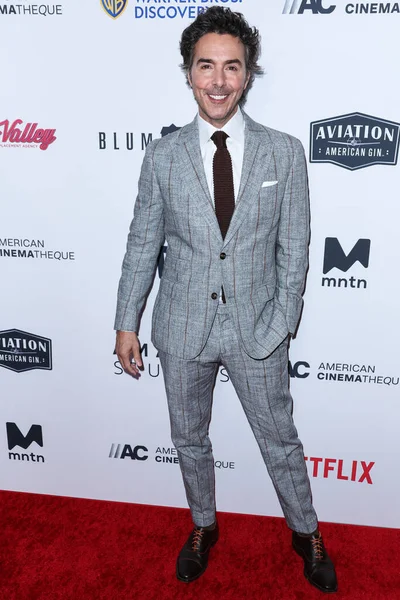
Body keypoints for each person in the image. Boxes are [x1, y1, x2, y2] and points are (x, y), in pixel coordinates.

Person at [115, 6, 337, 593]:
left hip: (258, 330)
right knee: (188, 439)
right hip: (182, 327)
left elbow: (297, 246)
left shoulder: (284, 152)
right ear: (188, 72)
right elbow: (143, 242)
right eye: (205, 66)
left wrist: (281, 322)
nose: (218, 80)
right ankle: (203, 526)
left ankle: (306, 531)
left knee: (280, 439)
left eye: (231, 67)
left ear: (247, 74)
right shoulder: (162, 156)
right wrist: (125, 322)